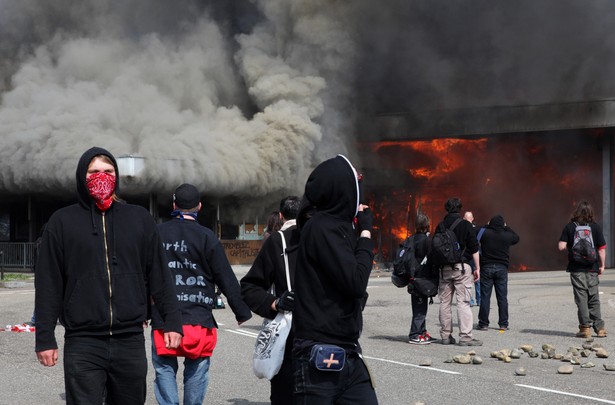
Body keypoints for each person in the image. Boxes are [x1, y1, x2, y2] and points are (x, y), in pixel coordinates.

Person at [35, 146, 183, 405]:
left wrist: (171, 321)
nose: (101, 177)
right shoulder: (62, 222)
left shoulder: (139, 219)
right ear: (82, 176)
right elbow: (49, 284)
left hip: (130, 339)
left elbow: (160, 275)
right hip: (83, 341)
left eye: (108, 171)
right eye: (94, 172)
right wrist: (44, 337)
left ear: (117, 176)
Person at [151, 183, 252, 405]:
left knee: (164, 368)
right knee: (196, 370)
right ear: (198, 206)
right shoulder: (207, 237)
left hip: (164, 318)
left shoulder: (157, 233)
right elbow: (225, 276)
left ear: (174, 204)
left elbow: (144, 273)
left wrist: (139, 310)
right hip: (199, 317)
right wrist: (241, 310)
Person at [293, 154, 378, 405]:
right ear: (341, 189)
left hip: (349, 351)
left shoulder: (337, 228)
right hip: (318, 356)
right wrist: (365, 234)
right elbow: (355, 281)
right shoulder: (321, 228)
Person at [240, 196, 301, 404]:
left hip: (292, 338)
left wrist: (275, 303)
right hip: (327, 338)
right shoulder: (327, 239)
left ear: (281, 216)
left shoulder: (278, 240)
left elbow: (249, 287)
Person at [436, 197, 482, 346]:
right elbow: (474, 248)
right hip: (461, 268)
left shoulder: (440, 226)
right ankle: (465, 337)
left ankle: (445, 336)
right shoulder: (466, 225)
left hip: (444, 269)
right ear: (460, 209)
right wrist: (477, 268)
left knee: (444, 302)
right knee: (463, 302)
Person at [558, 200, 607, 338]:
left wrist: (569, 245)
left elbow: (561, 246)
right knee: (594, 298)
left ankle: (585, 329)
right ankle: (600, 328)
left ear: (576, 212)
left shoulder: (570, 227)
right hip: (592, 268)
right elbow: (602, 249)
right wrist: (602, 266)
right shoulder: (595, 227)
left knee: (581, 298)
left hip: (576, 268)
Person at [476, 215, 520, 331]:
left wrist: (487, 225)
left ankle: (483, 324)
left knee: (485, 297)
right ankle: (503, 324)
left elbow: (476, 231)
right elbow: (516, 238)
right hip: (501, 269)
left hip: (486, 267)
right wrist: (506, 227)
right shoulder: (507, 235)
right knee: (502, 297)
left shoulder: (485, 233)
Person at [407, 213, 435, 345]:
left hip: (413, 277)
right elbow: (432, 258)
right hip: (422, 277)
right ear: (427, 225)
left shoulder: (411, 239)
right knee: (419, 309)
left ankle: (422, 332)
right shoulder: (427, 241)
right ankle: (415, 334)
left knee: (420, 306)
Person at [463, 211, 480, 307]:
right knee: (477, 279)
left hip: (466, 257)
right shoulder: (478, 229)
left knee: (467, 280)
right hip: (475, 256)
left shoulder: (461, 229)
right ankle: (479, 299)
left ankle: (471, 300)